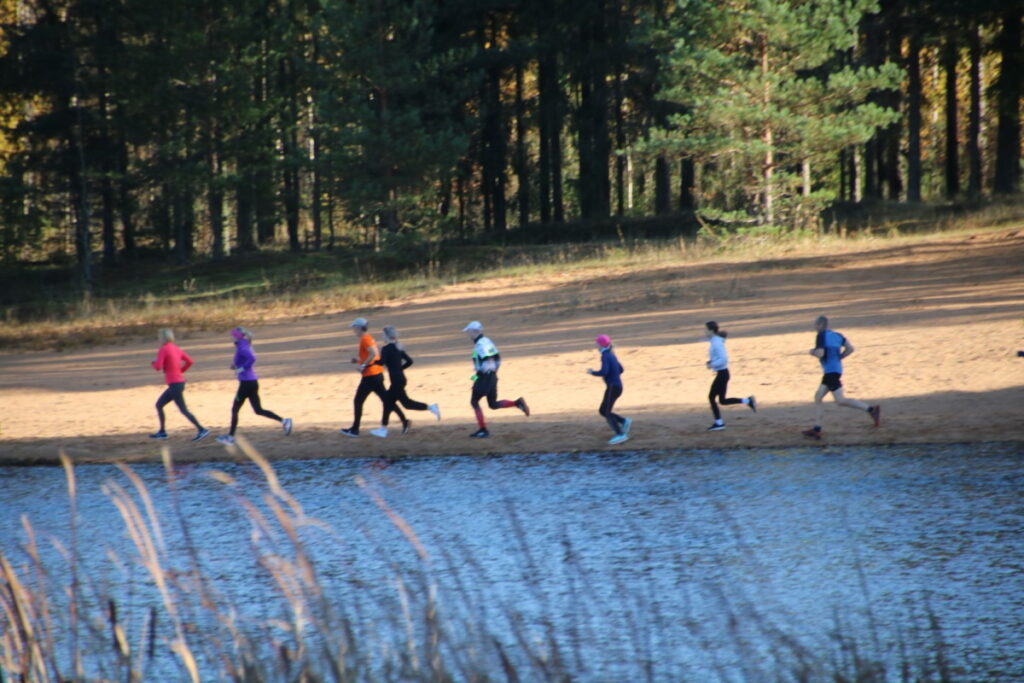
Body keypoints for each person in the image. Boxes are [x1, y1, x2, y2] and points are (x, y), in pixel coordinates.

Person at [802, 315, 880, 439]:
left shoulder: (821, 336)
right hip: (836, 370)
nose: (815, 327)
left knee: (840, 400)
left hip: (830, 372)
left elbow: (820, 354)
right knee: (820, 397)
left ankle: (871, 410)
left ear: (821, 325)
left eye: (816, 325)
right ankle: (817, 428)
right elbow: (850, 349)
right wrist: (840, 357)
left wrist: (812, 352)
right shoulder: (838, 335)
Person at [215, 327, 292, 446]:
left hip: (246, 384)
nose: (231, 337)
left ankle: (230, 437)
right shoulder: (244, 344)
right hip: (252, 382)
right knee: (258, 410)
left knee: (235, 409)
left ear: (236, 336)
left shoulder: (241, 346)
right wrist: (235, 366)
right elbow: (245, 358)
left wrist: (241, 368)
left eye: (232, 335)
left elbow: (252, 358)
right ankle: (284, 421)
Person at [371, 325, 441, 438]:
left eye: (383, 335)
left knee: (406, 404)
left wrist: (370, 362)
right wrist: (399, 369)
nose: (381, 336)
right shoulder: (398, 347)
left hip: (397, 381)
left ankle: (431, 408)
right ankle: (383, 429)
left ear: (387, 336)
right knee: (388, 402)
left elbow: (381, 363)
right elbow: (410, 361)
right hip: (400, 379)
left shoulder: (386, 348)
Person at [463, 321, 529, 438]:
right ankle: (517, 403)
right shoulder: (487, 341)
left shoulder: (481, 345)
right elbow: (498, 359)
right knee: (492, 404)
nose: (468, 334)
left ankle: (483, 430)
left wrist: (479, 376)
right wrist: (493, 372)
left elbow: (487, 360)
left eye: (469, 332)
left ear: (475, 331)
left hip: (485, 377)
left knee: (474, 401)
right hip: (492, 376)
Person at [341, 317, 399, 437]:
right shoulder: (368, 338)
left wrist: (362, 365)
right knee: (386, 400)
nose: (353, 330)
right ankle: (404, 420)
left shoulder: (364, 339)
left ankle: (355, 430)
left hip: (370, 376)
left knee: (358, 401)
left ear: (358, 328)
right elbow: (373, 355)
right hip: (376, 374)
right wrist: (358, 360)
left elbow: (373, 353)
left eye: (354, 328)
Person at [150, 328, 210, 442]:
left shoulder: (163, 349)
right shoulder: (176, 348)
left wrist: (153, 362)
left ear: (163, 338)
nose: (159, 339)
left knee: (183, 409)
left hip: (174, 384)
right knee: (159, 405)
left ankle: (201, 429)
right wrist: (180, 371)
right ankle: (162, 432)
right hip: (178, 382)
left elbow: (158, 367)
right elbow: (190, 361)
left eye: (159, 337)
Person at [704, 321, 756, 431]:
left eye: (706, 329)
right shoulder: (715, 341)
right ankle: (748, 401)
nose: (704, 332)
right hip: (723, 373)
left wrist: (712, 364)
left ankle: (719, 423)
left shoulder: (716, 342)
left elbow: (724, 359)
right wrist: (711, 362)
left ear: (711, 330)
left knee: (711, 397)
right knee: (722, 400)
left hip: (722, 374)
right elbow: (719, 358)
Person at [587, 334, 631, 445]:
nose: (595, 345)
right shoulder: (611, 354)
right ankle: (623, 421)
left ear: (601, 344)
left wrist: (592, 372)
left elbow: (604, 371)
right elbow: (621, 369)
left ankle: (621, 435)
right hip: (617, 386)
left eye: (597, 343)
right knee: (603, 410)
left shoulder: (605, 356)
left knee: (606, 411)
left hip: (613, 387)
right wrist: (613, 376)